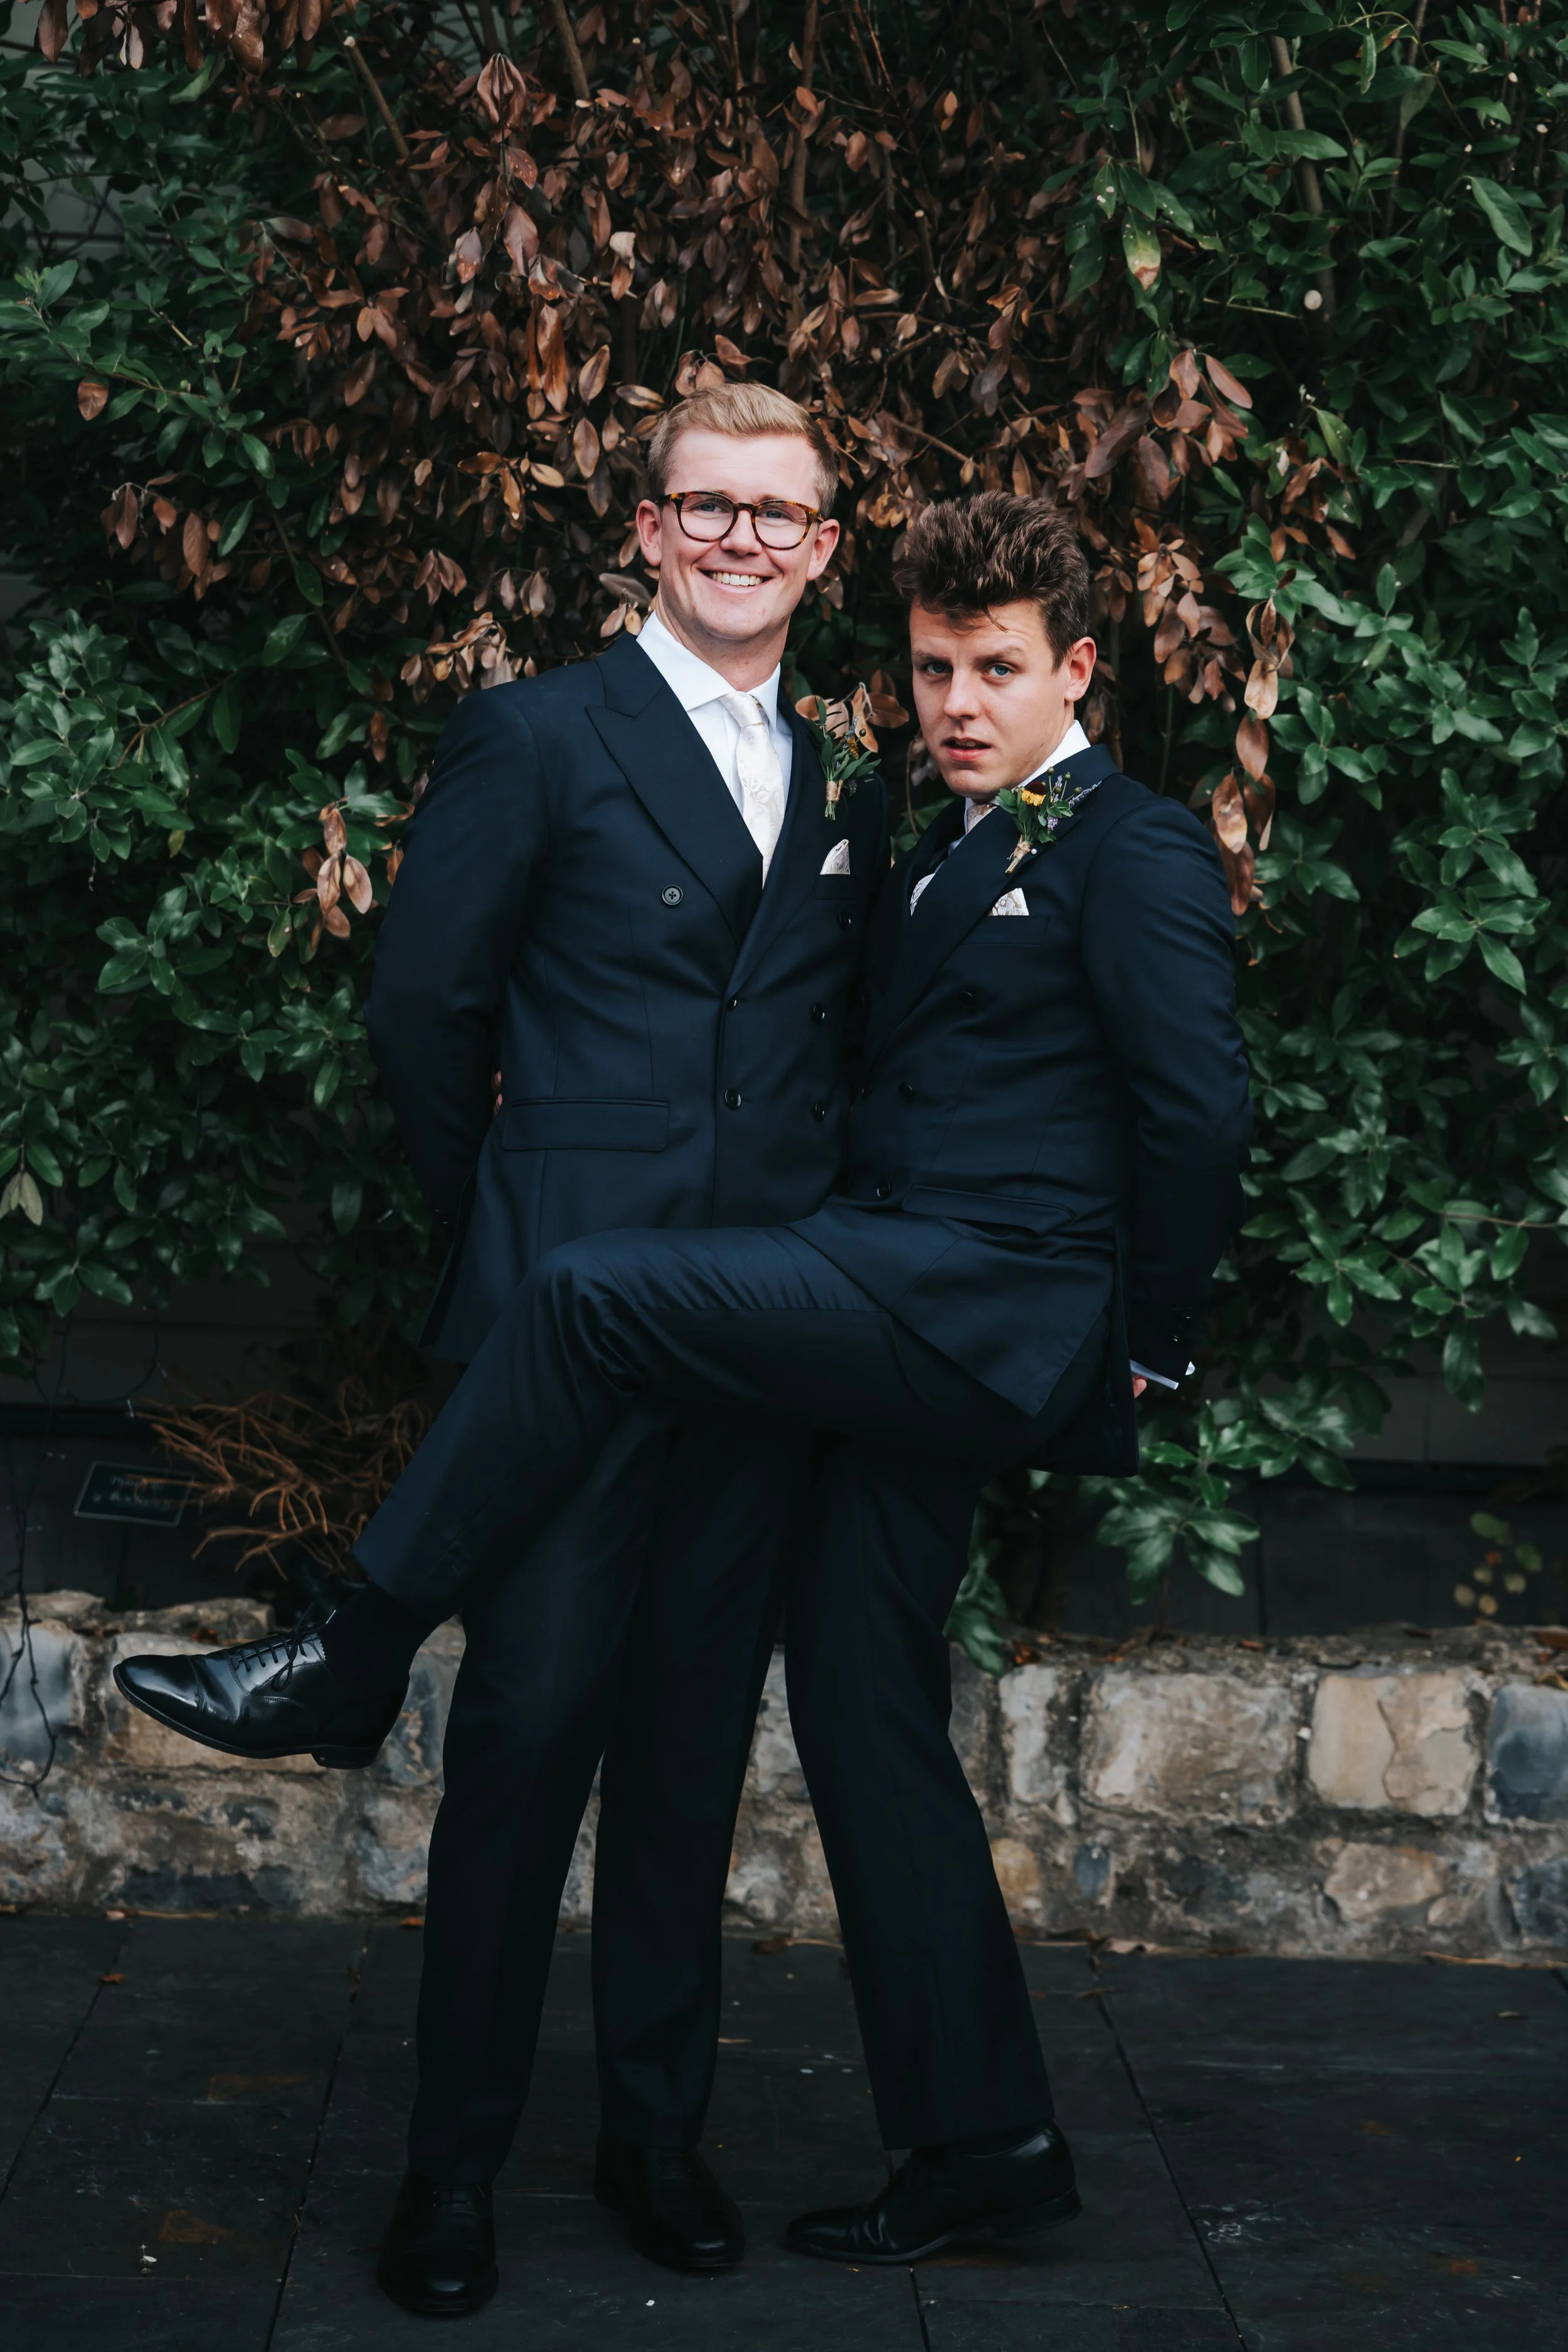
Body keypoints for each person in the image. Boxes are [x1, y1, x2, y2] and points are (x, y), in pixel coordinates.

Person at [346, 489, 1254, 2267]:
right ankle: (979, 2134)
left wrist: (1147, 1338)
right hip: (874, 1324)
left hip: (974, 1312)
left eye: (997, 668)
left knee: (598, 1296)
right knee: (853, 1698)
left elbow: (1194, 1110)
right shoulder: (914, 833)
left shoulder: (1123, 843)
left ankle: (359, 1624)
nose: (957, 702)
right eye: (932, 669)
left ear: (1076, 670)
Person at [113, 383, 889, 2312]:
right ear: (643, 529)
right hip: (570, 1317)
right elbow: (420, 1014)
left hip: (765, 1338)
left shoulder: (854, 782)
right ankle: (447, 2169)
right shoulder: (537, 734)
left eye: (774, 515)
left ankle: (655, 2140)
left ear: (822, 551)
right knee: (530, 1739)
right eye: (703, 507)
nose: (738, 540)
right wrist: (524, 1224)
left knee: (692, 1752)